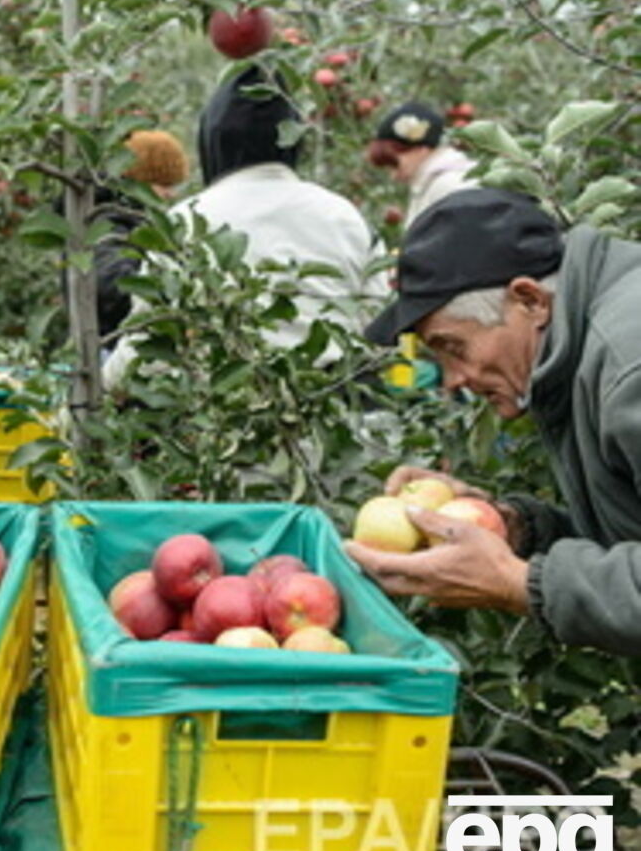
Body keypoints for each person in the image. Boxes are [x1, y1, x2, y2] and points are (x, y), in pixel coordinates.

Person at [346, 187, 641, 657]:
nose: (453, 380)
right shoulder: (577, 351)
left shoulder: (629, 364)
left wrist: (515, 582)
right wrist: (516, 529)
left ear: (530, 301)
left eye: (454, 348)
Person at [103, 65, 385, 387]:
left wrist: (97, 394)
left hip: (219, 405)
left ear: (213, 141)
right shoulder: (343, 217)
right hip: (329, 401)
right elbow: (376, 325)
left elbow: (147, 345)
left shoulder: (184, 221)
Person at [59, 128, 190, 342]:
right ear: (137, 181)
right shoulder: (104, 223)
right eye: (163, 184)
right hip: (110, 348)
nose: (171, 194)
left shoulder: (132, 221)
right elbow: (113, 288)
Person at [365, 101, 476, 227]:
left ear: (421, 149)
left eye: (394, 164)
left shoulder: (450, 185)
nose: (394, 176)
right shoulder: (428, 186)